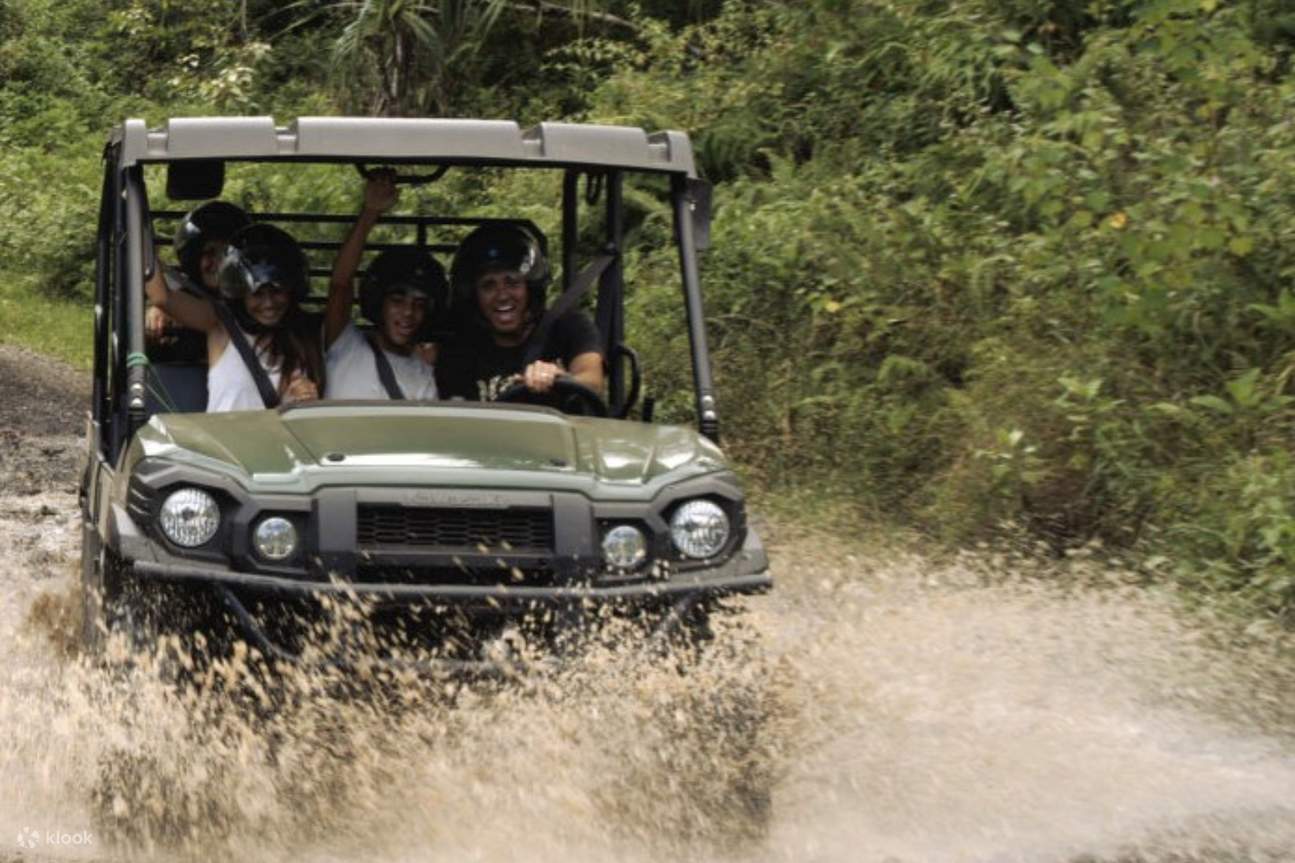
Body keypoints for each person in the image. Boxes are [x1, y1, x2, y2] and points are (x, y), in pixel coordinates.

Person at [144, 222, 323, 411]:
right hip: (223, 440)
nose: (269, 303)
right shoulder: (222, 325)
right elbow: (162, 297)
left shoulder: (303, 342)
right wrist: (140, 227)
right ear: (241, 293)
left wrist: (305, 398)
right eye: (257, 294)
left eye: (277, 291)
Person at [436, 224, 604, 402]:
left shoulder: (569, 327)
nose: (502, 295)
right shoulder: (460, 349)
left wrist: (559, 378)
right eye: (488, 285)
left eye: (512, 282)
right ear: (474, 296)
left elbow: (593, 382)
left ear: (530, 288)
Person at [323, 172, 442, 400]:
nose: (408, 312)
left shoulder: (424, 375)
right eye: (397, 301)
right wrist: (370, 212)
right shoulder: (345, 344)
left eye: (419, 304)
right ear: (379, 301)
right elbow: (340, 282)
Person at [145, 201, 251, 362]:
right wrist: (157, 315)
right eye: (209, 252)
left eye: (228, 254)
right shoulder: (176, 295)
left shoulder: (255, 303)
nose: (219, 262)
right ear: (193, 258)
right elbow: (163, 299)